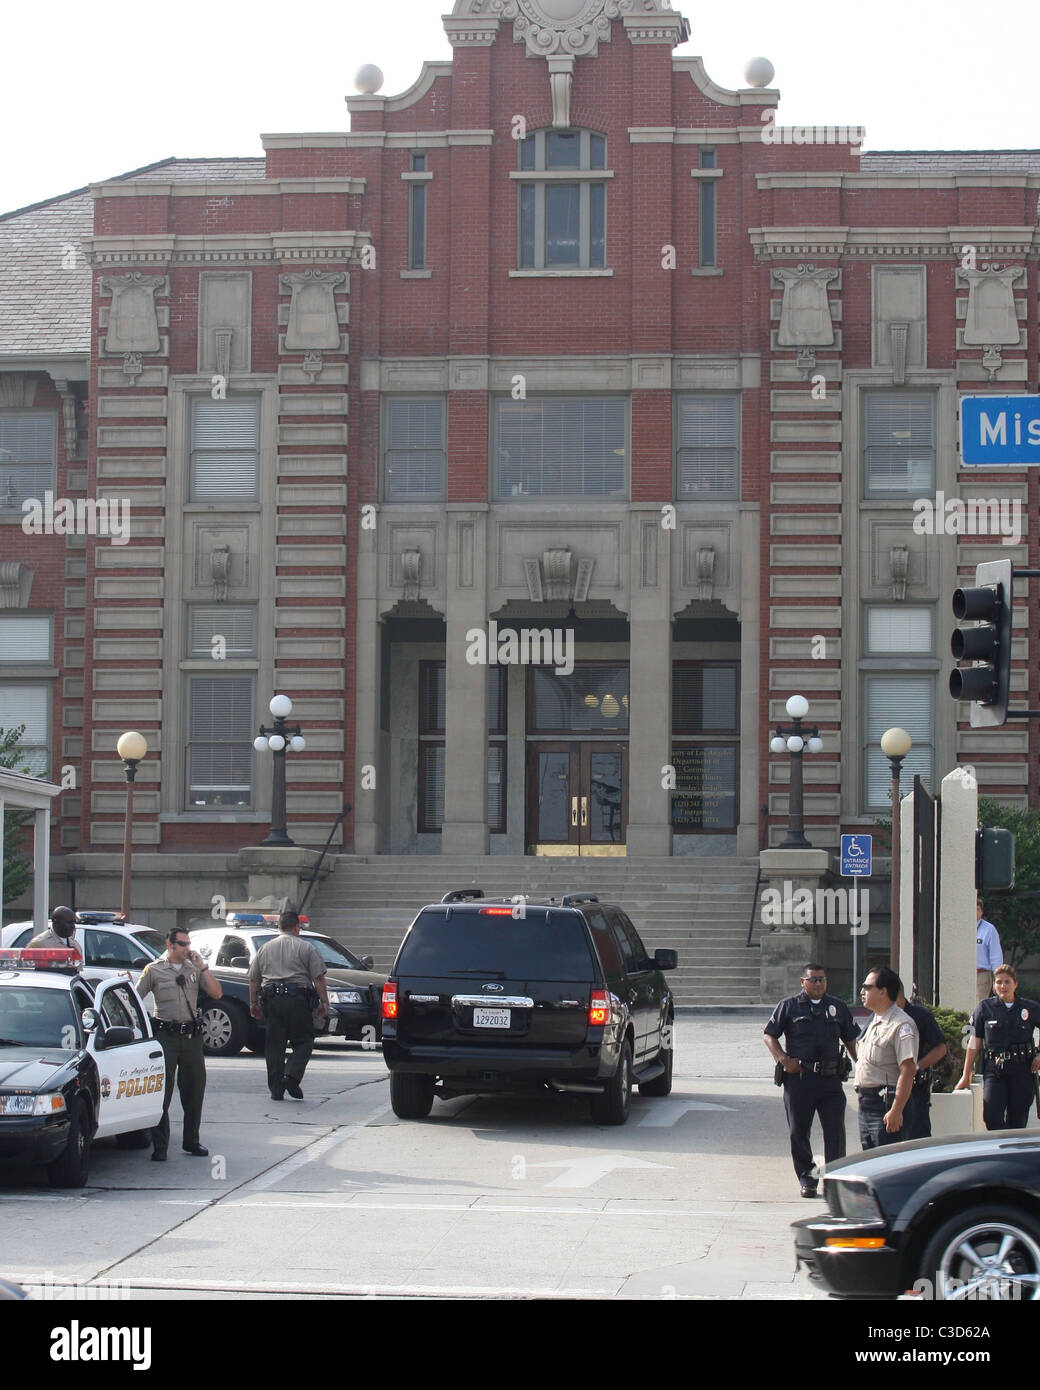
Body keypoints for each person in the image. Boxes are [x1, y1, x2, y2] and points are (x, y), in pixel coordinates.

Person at [764, 963, 858, 1198]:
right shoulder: (789, 1006)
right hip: (800, 1080)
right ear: (802, 982)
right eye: (814, 979)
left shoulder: (837, 1007)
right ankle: (807, 1177)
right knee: (799, 1132)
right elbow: (769, 1035)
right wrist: (784, 1059)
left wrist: (864, 1068)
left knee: (835, 1133)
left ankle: (834, 1180)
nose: (819, 984)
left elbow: (851, 1040)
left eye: (822, 979)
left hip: (830, 1080)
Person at [136, 927, 222, 1160]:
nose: (187, 948)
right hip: (166, 1036)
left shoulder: (194, 969)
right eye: (182, 944)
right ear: (170, 945)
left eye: (188, 943)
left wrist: (202, 967)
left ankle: (191, 1141)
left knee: (194, 1090)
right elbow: (136, 998)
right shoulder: (153, 970)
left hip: (192, 1037)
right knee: (161, 1092)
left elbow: (216, 993)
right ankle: (160, 1145)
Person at [248, 908, 329, 1101]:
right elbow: (318, 978)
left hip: (272, 1000)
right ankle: (291, 1076)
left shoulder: (265, 948)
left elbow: (254, 980)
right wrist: (324, 1001)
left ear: (279, 927)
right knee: (304, 1041)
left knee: (274, 1045)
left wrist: (253, 1003)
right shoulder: (306, 948)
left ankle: (276, 1089)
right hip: (297, 1000)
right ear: (296, 927)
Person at [955, 964, 1040, 1129]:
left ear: (1016, 984)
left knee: (1017, 1120)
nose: (1003, 986)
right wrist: (966, 1074)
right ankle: (1000, 1150)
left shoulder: (1029, 1007)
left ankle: (1013, 1153)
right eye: (999, 982)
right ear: (993, 986)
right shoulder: (985, 1008)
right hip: (995, 1070)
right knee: (991, 1116)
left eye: (1007, 982)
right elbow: (974, 1041)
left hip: (1022, 1069)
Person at [854, 966, 918, 1149]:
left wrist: (896, 1110)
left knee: (888, 1165)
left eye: (867, 987)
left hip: (885, 1105)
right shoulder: (874, 1020)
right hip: (866, 1103)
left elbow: (908, 1070)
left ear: (883, 992)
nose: (862, 991)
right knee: (870, 1163)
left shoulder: (901, 1024)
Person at [896, 986, 948, 1140]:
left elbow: (940, 1048)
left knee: (918, 1140)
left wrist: (916, 1067)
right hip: (890, 1088)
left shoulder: (920, 1015)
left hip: (916, 1088)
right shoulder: (880, 1015)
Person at [976, 901, 1003, 1003]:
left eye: (977, 910)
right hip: (963, 973)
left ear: (982, 912)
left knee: (979, 1005)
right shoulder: (961, 927)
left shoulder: (989, 929)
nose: (975, 912)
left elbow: (995, 956)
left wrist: (997, 978)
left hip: (981, 975)